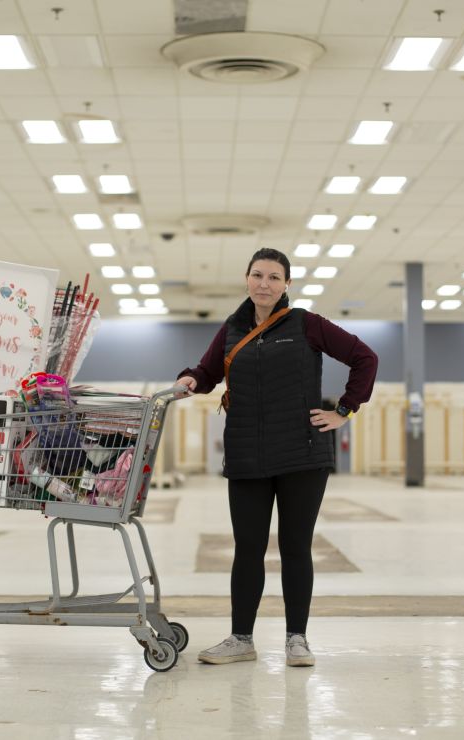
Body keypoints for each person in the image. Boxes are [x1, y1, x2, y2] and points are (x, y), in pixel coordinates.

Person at [177, 247, 378, 667]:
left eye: (273, 277)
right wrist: (191, 378)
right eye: (257, 275)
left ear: (287, 284)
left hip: (302, 454)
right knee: (247, 547)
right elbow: (208, 371)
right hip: (247, 454)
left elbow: (365, 358)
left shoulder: (307, 324)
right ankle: (240, 638)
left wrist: (344, 409)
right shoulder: (232, 328)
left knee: (294, 546)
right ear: (246, 279)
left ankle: (296, 639)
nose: (264, 284)